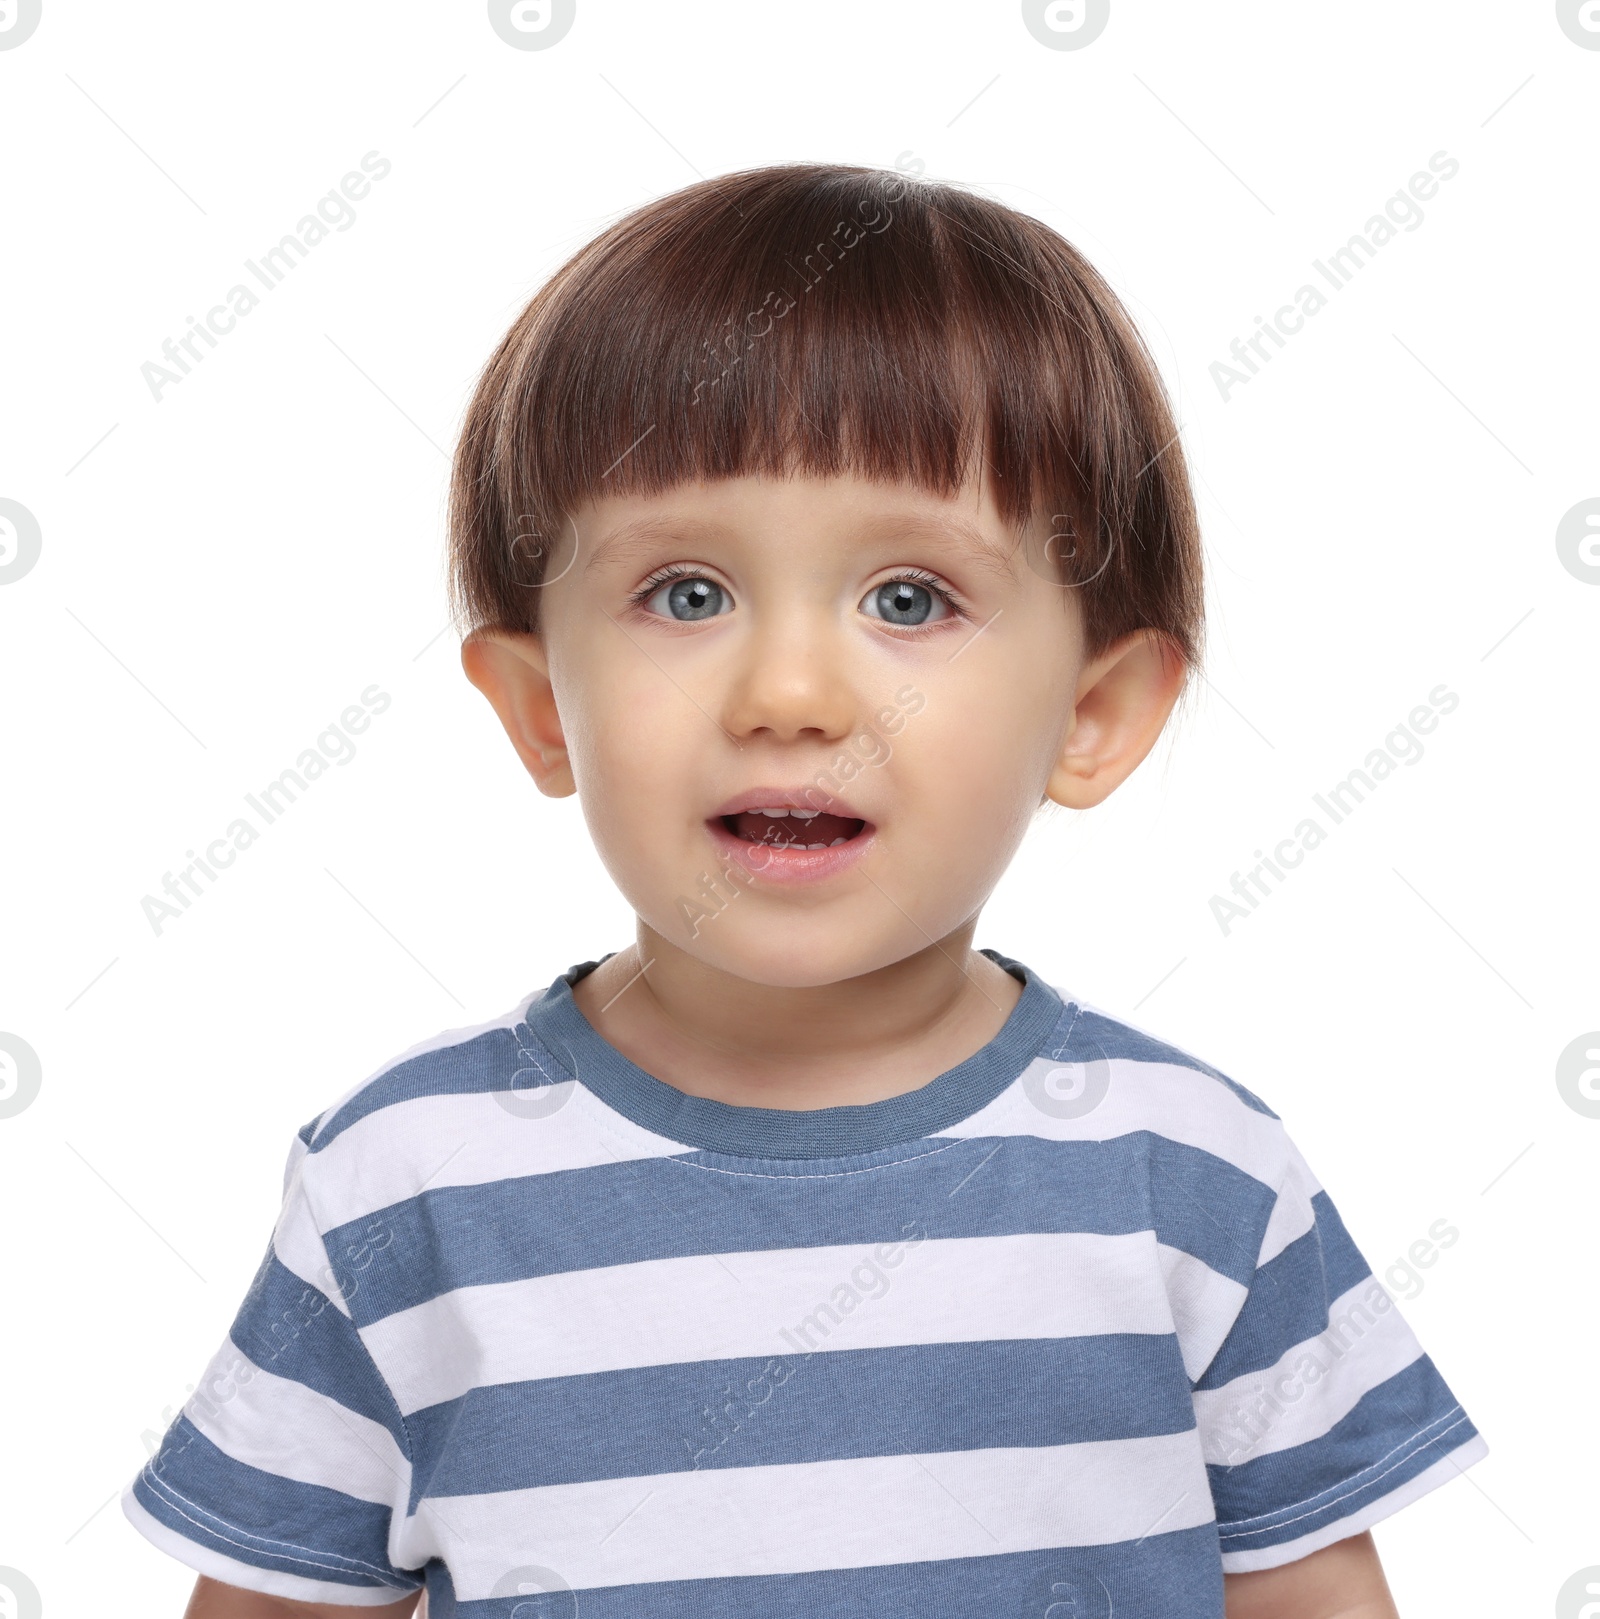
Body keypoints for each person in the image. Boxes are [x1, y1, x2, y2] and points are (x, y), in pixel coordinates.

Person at [123, 162, 1485, 1618]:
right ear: (538, 708)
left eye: (910, 600)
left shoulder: (1194, 1180)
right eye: (687, 594)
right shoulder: (401, 1192)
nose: (788, 693)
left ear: (1094, 715)